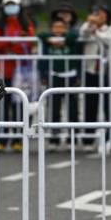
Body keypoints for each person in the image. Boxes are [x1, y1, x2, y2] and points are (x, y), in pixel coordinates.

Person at [0, 0, 35, 151]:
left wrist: (10, 42)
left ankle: (17, 140)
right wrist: (13, 40)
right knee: (2, 106)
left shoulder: (26, 24)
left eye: (13, 5)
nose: (11, 8)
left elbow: (29, 41)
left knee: (18, 106)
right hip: (2, 71)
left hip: (20, 72)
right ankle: (1, 138)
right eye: (8, 5)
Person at [38, 16, 80, 149]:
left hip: (70, 77)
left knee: (72, 109)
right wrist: (50, 39)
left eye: (61, 27)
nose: (58, 30)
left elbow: (75, 35)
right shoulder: (48, 40)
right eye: (55, 27)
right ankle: (54, 139)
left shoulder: (70, 39)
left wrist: (64, 40)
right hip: (54, 77)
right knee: (54, 109)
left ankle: (72, 138)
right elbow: (40, 35)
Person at [79, 4, 111, 151]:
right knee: (90, 105)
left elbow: (108, 40)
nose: (98, 16)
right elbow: (83, 33)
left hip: (107, 72)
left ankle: (110, 138)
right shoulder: (89, 26)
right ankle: (88, 139)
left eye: (102, 14)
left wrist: (97, 31)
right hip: (90, 70)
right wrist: (90, 23)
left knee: (108, 106)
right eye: (96, 13)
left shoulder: (110, 29)